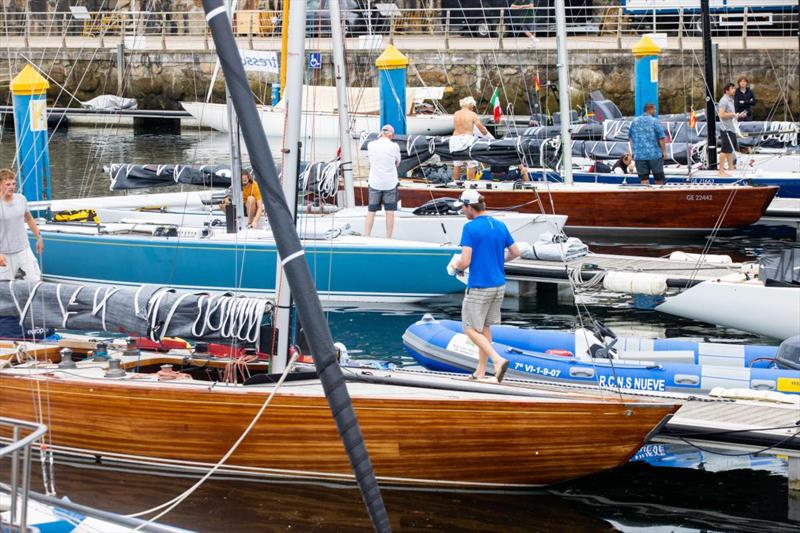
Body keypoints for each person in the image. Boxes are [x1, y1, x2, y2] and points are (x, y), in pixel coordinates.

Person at [452, 189, 521, 383]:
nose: (463, 212)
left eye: (463, 208)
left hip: (480, 286)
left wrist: (455, 267)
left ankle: (497, 360)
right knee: (484, 328)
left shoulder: (470, 228)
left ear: (469, 207)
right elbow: (516, 251)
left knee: (469, 328)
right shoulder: (499, 225)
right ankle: (480, 372)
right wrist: (498, 260)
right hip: (499, 285)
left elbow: (465, 261)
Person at [0, 168, 43, 282]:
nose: (11, 187)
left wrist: (39, 237)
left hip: (23, 249)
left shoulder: (21, 199)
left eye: (13, 184)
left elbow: (29, 218)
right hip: (4, 254)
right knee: (4, 288)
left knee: (35, 281)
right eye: (7, 184)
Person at [365, 124, 401, 238]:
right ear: (391, 135)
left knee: (371, 211)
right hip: (390, 183)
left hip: (375, 182)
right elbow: (397, 162)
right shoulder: (394, 146)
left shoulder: (371, 145)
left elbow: (370, 161)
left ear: (381, 133)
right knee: (389, 212)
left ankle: (366, 236)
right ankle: (388, 238)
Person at [451, 96, 489, 181]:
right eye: (473, 106)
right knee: (472, 164)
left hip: (454, 140)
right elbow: (480, 127)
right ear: (470, 104)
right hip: (466, 140)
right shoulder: (472, 114)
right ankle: (470, 184)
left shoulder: (456, 113)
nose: (473, 108)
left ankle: (454, 183)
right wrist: (486, 134)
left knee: (457, 164)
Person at [628, 103, 666, 185]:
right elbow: (662, 138)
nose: (655, 111)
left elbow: (630, 138)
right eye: (654, 109)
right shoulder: (655, 121)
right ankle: (659, 196)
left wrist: (633, 152)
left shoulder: (634, 121)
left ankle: (646, 196)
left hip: (639, 155)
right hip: (654, 154)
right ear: (650, 109)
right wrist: (664, 152)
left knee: (643, 179)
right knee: (658, 178)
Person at [718, 83, 747, 177]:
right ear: (727, 91)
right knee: (724, 150)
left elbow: (730, 114)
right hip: (725, 128)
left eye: (734, 88)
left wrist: (738, 115)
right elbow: (721, 115)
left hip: (731, 127)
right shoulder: (723, 101)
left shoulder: (731, 100)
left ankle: (731, 167)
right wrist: (733, 114)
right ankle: (721, 171)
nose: (734, 90)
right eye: (732, 88)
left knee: (729, 149)